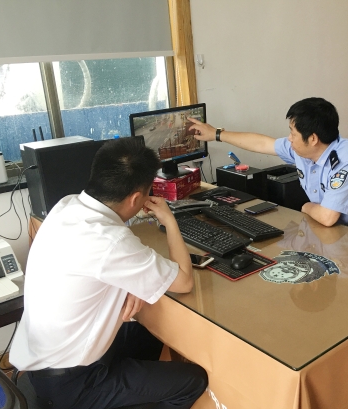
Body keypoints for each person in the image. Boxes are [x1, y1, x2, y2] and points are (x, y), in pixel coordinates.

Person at [10, 138, 208, 409]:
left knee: (152, 329)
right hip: (75, 383)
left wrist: (129, 284)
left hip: (48, 362)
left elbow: (96, 265)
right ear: (136, 198)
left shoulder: (67, 205)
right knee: (194, 380)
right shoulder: (111, 241)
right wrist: (169, 220)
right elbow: (184, 281)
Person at [188, 97, 348, 230]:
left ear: (313, 139)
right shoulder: (303, 149)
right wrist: (216, 134)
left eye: (293, 133)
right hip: (330, 230)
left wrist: (306, 206)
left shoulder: (346, 159)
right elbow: (261, 143)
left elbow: (328, 217)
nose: (289, 139)